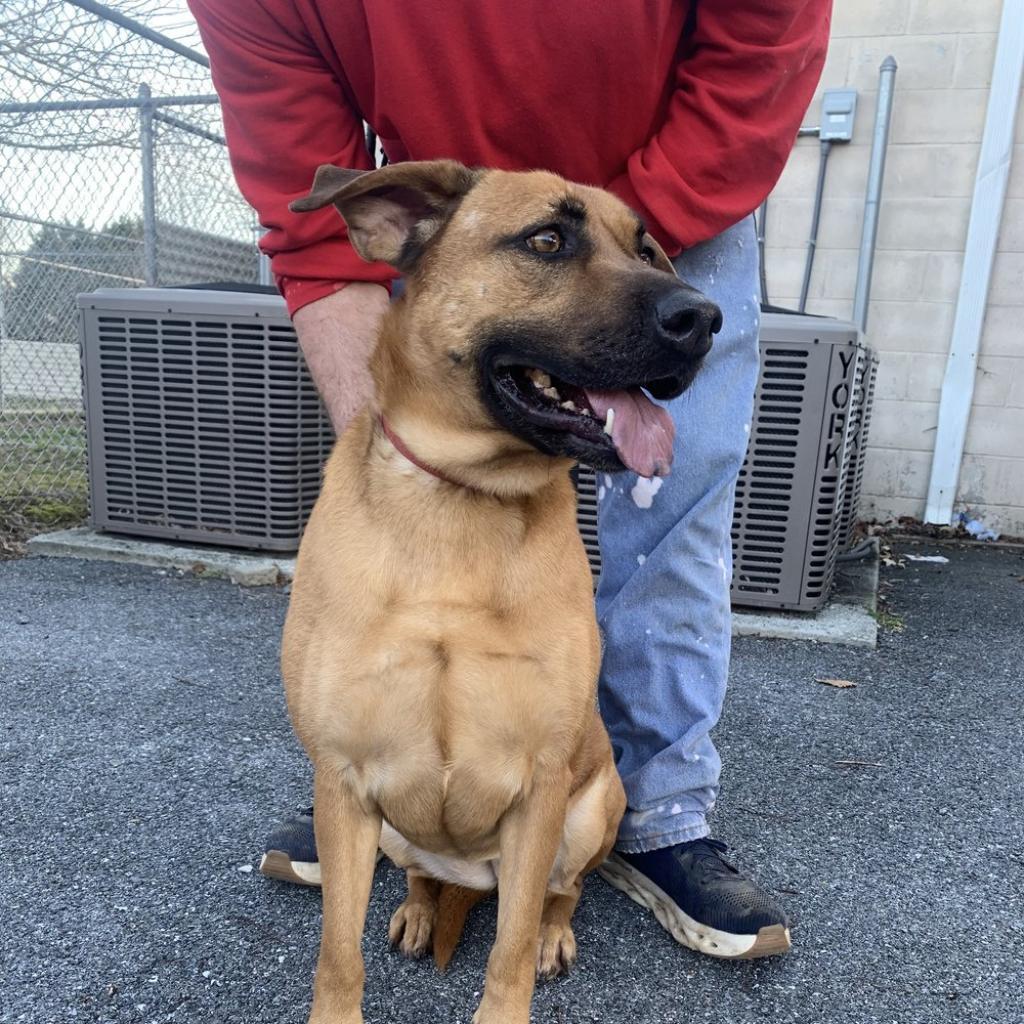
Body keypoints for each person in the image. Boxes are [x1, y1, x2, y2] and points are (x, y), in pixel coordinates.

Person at [190, 0, 829, 959]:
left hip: (676, 176)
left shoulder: (628, 235)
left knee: (672, 513)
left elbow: (763, 41)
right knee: (407, 489)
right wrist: (397, 445)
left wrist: (609, 245)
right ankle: (385, 781)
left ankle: (659, 814)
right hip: (452, 216)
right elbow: (305, 186)